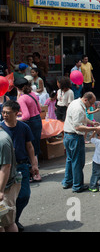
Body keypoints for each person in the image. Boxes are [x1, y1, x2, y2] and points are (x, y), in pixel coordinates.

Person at [1, 100, 39, 231]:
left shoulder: (24, 127)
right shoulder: (1, 128)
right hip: (4, 168)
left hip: (21, 167)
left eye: (8, 113)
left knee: (24, 196)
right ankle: (9, 223)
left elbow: (30, 146)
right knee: (5, 200)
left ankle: (14, 220)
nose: (5, 115)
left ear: (17, 113)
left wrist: (34, 164)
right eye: (3, 112)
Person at [62, 92, 100, 193]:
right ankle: (77, 185)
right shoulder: (78, 108)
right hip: (74, 136)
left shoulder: (76, 103)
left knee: (70, 159)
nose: (91, 106)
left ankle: (68, 181)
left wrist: (91, 122)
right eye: (91, 103)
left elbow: (83, 119)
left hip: (68, 135)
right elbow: (78, 126)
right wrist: (94, 129)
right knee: (77, 162)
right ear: (86, 100)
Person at [15, 78, 43, 182]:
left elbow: (26, 116)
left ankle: (34, 174)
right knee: (35, 147)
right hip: (37, 121)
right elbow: (39, 110)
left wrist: (17, 118)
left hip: (30, 123)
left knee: (29, 148)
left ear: (18, 88)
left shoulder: (22, 98)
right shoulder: (33, 94)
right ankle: (36, 172)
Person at [0, 125, 20, 232]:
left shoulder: (2, 140)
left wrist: (1, 190)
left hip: (5, 188)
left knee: (8, 222)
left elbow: (6, 166)